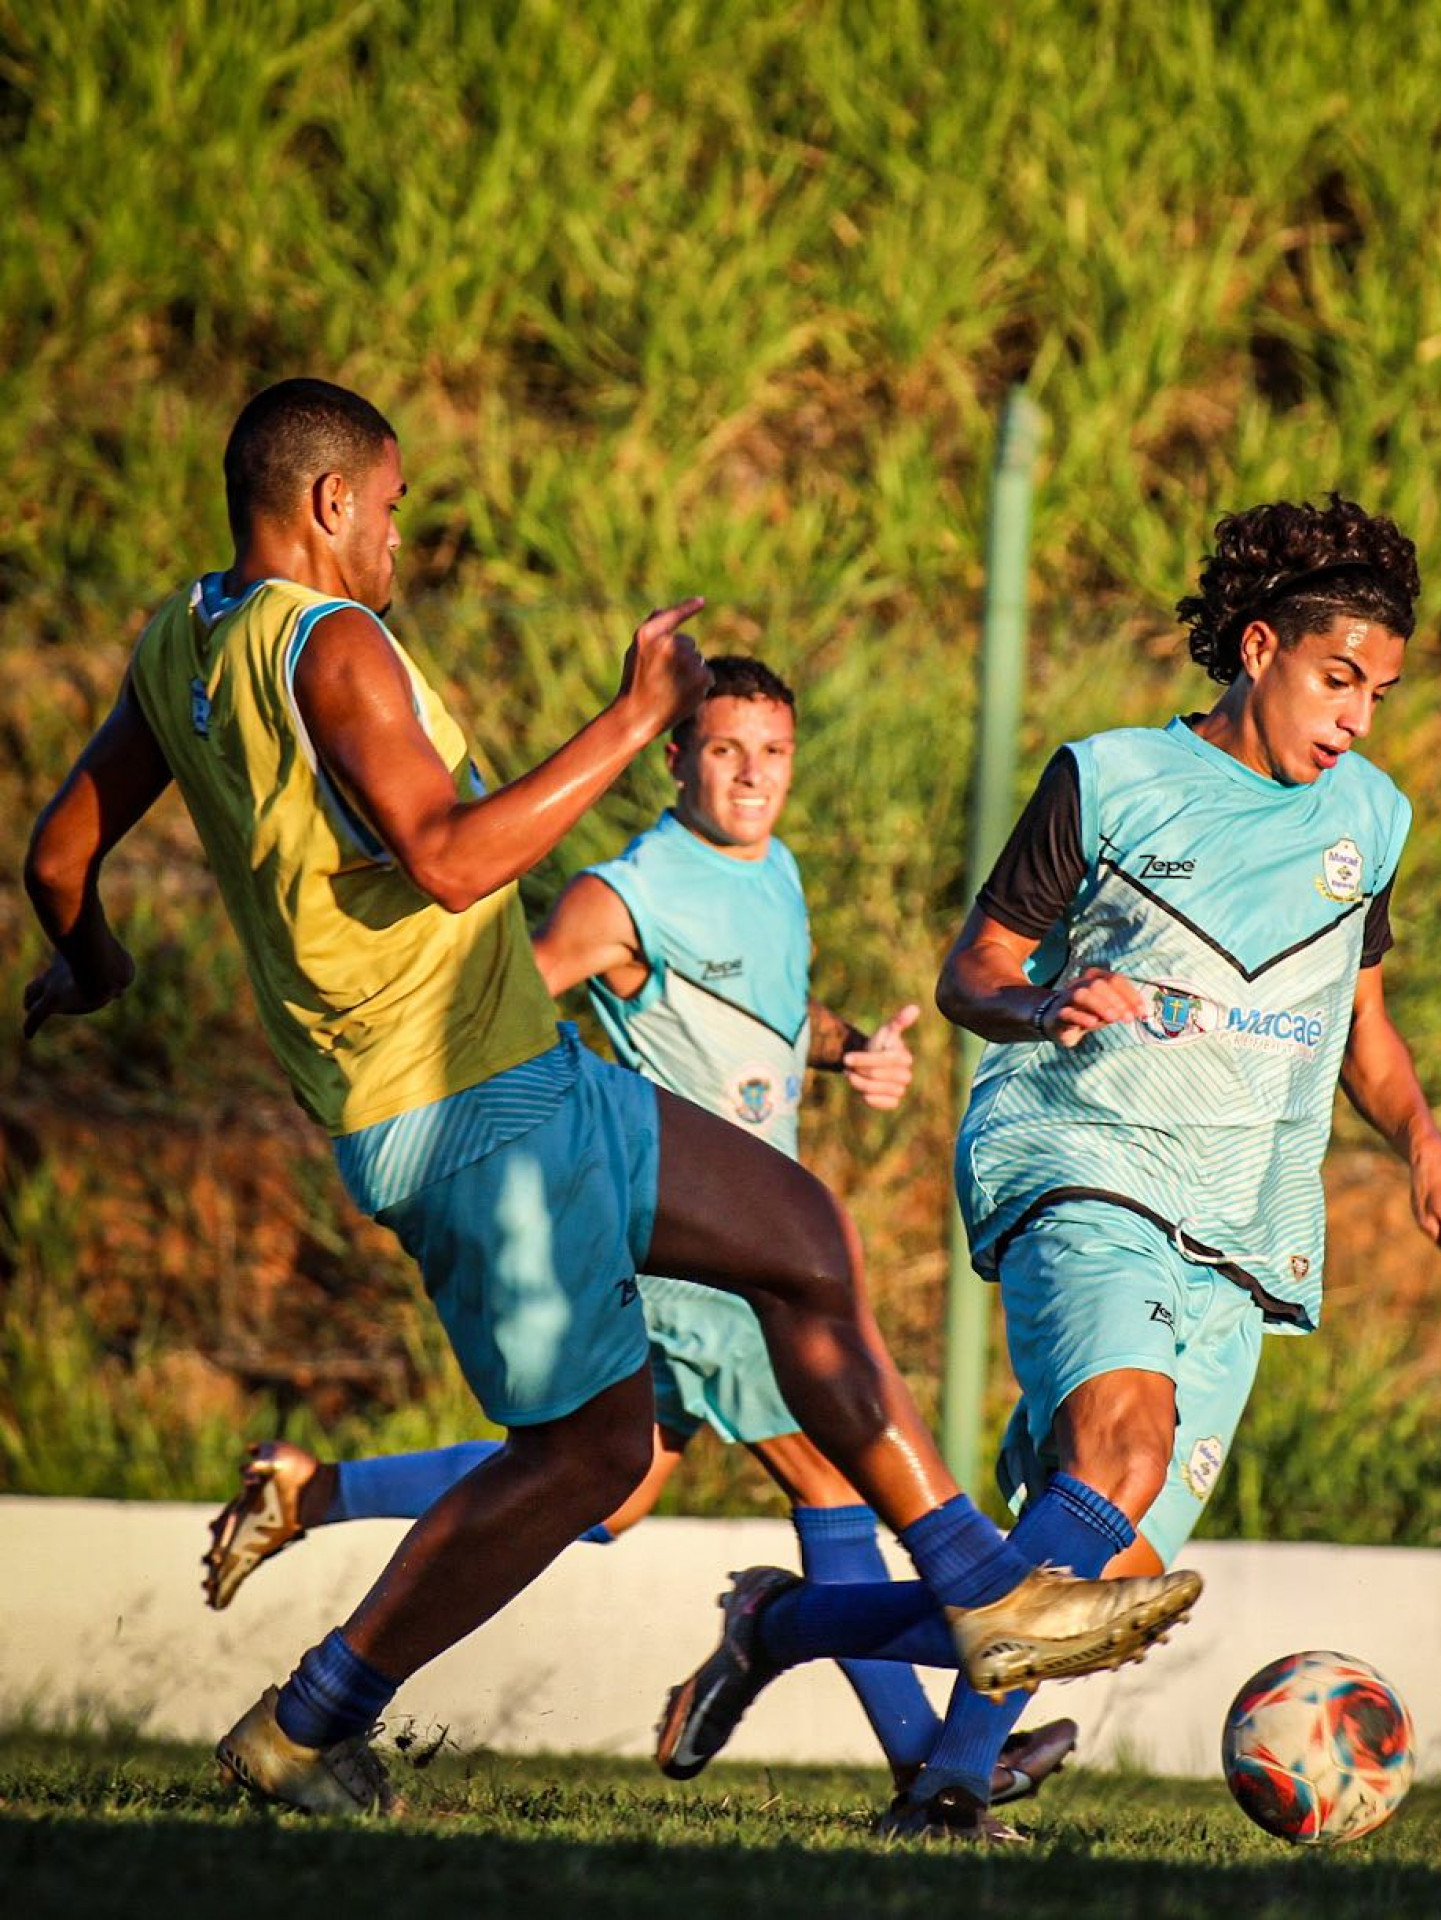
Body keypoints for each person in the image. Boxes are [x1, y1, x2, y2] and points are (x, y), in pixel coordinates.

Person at [19, 377, 1200, 1816]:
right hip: (457, 1113)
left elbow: (56, 860)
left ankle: (978, 1595)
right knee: (592, 1459)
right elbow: (454, 860)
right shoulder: (336, 647)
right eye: (391, 508)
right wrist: (634, 720)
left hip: (527, 1069)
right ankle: (305, 1724)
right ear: (330, 503)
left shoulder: (180, 639)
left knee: (800, 1237)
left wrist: (89, 964)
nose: (399, 537)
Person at [200, 656, 1076, 1808]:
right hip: (687, 1247)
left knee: (604, 1493)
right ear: (674, 760)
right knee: (834, 1489)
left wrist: (847, 1044)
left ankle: (319, 1493)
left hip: (742, 1236)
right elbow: (509, 1018)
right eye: (723, 750)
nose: (752, 776)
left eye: (772, 752)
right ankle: (930, 1761)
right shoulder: (622, 893)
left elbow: (766, 1009)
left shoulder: (778, 872)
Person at [895, 493, 1441, 1839]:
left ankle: (779, 1627)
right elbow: (976, 970)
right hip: (1087, 1153)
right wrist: (1044, 1003)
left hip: (1243, 1220)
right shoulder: (1110, 777)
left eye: (1382, 690)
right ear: (1258, 650)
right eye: (1337, 678)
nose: (1359, 715)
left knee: (1101, 1576)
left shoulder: (1374, 820)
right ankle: (946, 1795)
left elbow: (1361, 1024)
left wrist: (1434, 1155)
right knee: (1123, 1449)